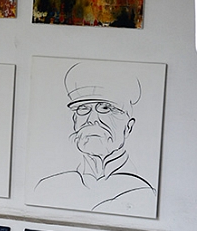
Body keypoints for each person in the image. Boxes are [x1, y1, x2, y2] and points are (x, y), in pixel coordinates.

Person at [34, 62, 156, 213]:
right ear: (74, 121)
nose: (92, 119)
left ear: (128, 126)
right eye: (83, 109)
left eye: (105, 108)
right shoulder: (49, 187)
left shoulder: (144, 193)